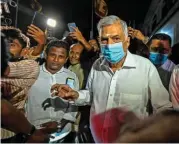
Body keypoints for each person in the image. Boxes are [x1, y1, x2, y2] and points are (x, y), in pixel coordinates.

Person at [50, 15, 172, 142]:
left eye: (116, 38)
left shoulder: (145, 68)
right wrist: (75, 95)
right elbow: (92, 95)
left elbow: (163, 108)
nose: (109, 45)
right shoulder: (97, 65)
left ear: (127, 41)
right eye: (104, 40)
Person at [1, 32, 56, 143]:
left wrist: (40, 46)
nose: (5, 48)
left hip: (9, 134)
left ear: (24, 51)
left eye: (11, 45)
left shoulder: (30, 66)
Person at [26, 40, 79, 143]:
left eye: (61, 57)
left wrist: (60, 124)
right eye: (52, 55)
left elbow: (73, 103)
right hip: (35, 133)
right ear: (46, 55)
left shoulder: (71, 76)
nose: (56, 60)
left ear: (66, 59)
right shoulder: (32, 73)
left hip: (63, 133)